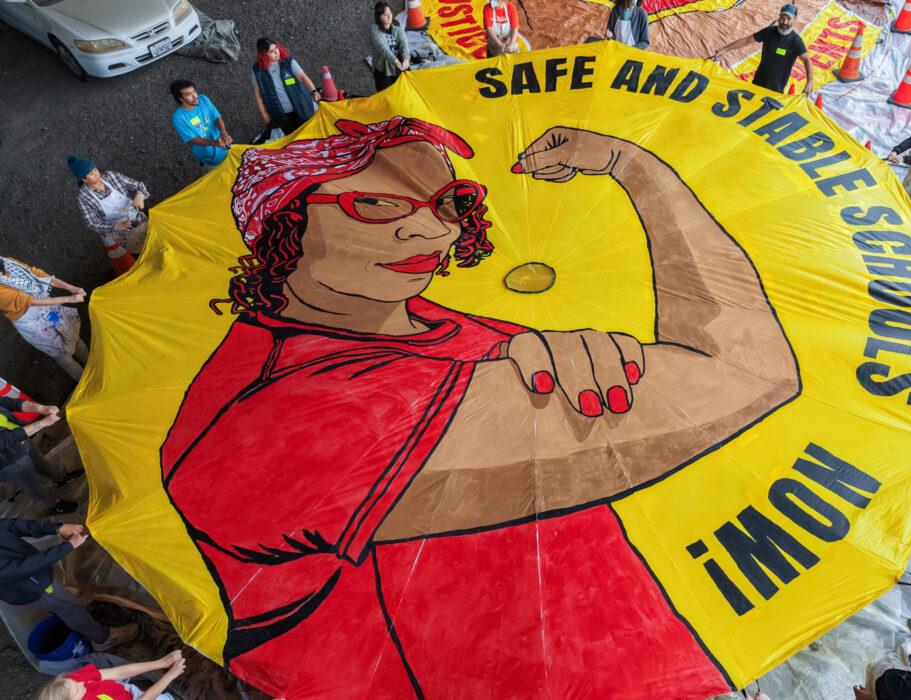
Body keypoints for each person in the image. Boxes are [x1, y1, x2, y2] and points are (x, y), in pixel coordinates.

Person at [160, 117, 799, 698]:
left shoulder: (401, 315)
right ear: (285, 223)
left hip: (634, 669)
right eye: (376, 205)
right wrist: (638, 170)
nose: (431, 229)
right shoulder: (283, 420)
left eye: (448, 202)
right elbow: (743, 370)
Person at [0, 518, 138, 652]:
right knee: (68, 606)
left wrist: (57, 528)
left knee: (61, 597)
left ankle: (70, 604)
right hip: (27, 584)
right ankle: (103, 639)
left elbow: (10, 525)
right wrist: (67, 546)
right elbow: (19, 569)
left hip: (33, 574)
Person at [0, 256, 88, 380]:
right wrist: (69, 298)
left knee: (73, 335)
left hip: (47, 307)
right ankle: (85, 380)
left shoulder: (8, 263)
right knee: (62, 354)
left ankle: (92, 362)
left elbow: (38, 275)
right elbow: (30, 301)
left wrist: (72, 288)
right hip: (31, 321)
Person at [1, 396, 80, 514]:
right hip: (7, 463)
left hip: (22, 441)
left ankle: (59, 478)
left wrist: (42, 408)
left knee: (41, 463)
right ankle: (53, 504)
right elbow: (6, 439)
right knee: (31, 483)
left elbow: (9, 403)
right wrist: (42, 423)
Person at [714, 4, 814, 95]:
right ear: (779, 17)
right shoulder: (769, 32)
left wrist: (810, 81)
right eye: (782, 18)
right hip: (758, 82)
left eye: (788, 19)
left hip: (776, 90)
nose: (784, 22)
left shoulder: (795, 41)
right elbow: (746, 40)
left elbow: (807, 60)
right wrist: (724, 50)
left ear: (795, 19)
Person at [68, 156, 150, 257]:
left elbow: (138, 185)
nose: (96, 174)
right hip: (119, 230)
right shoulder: (83, 197)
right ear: (84, 179)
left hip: (134, 213)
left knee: (152, 237)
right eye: (91, 174)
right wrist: (115, 226)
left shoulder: (112, 176)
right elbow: (92, 222)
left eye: (95, 169)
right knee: (142, 253)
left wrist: (140, 196)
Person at [37, 650, 185, 700]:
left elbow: (118, 672)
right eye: (77, 689)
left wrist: (161, 663)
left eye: (74, 682)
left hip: (122, 693)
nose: (81, 682)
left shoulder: (72, 681)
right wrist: (169, 676)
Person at [251, 38, 320, 141]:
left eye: (276, 48)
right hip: (281, 115)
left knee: (312, 132)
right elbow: (257, 93)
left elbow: (303, 77)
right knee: (294, 138)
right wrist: (263, 112)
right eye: (271, 51)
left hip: (302, 107)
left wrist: (314, 91)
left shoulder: (288, 62)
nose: (276, 52)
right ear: (264, 55)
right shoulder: (257, 71)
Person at [169, 80, 233, 167]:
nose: (195, 96)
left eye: (194, 91)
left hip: (226, 147)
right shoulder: (178, 117)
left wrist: (223, 132)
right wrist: (214, 143)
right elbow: (192, 139)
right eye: (188, 94)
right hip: (209, 157)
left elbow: (217, 117)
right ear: (180, 98)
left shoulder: (203, 99)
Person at [370, 1, 410, 92]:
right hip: (383, 67)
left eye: (390, 13)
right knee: (386, 93)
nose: (389, 17)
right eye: (385, 15)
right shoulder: (375, 30)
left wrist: (406, 59)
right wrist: (395, 61)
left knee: (404, 90)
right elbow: (383, 49)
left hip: (398, 63)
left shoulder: (398, 27)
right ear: (379, 17)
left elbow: (404, 43)